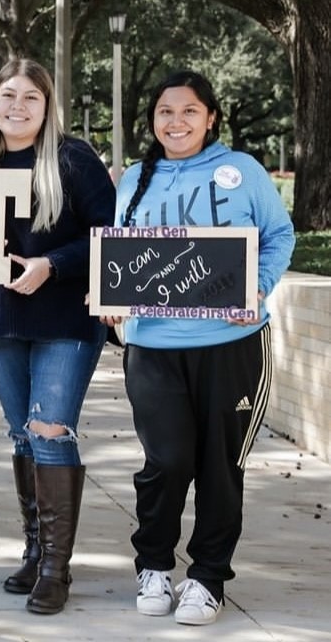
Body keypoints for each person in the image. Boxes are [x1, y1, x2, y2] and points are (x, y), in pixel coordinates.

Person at [106, 71, 294, 626]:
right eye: (165, 112)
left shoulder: (244, 172)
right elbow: (120, 255)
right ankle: (155, 565)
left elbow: (279, 236)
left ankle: (208, 577)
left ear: (211, 117)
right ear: (153, 121)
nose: (177, 121)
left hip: (230, 344)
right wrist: (111, 296)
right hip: (153, 345)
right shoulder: (135, 179)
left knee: (220, 465)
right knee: (166, 460)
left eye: (189, 111)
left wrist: (257, 283)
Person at [0, 59, 116, 614]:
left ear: (48, 106)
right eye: (8, 95)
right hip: (3, 320)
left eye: (30, 97)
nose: (17, 106)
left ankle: (56, 569)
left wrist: (51, 262)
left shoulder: (73, 159)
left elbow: (107, 238)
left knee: (50, 432)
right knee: (22, 436)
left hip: (66, 320)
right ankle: (34, 549)